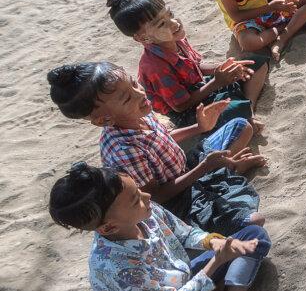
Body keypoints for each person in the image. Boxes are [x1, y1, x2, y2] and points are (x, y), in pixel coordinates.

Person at [50, 163, 272, 291]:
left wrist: (212, 243)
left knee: (254, 235)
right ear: (109, 227)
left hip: (187, 277)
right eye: (136, 200)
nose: (147, 197)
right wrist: (216, 263)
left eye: (139, 190)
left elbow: (185, 233)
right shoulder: (114, 267)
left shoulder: (147, 211)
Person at [48, 63, 265, 236]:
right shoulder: (123, 149)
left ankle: (225, 169)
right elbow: (157, 196)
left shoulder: (140, 113)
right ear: (104, 119)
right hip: (177, 199)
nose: (140, 93)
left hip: (186, 167)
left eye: (134, 84)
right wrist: (204, 168)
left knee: (241, 126)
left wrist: (199, 128)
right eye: (127, 98)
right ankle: (227, 170)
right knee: (252, 223)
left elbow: (164, 138)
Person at [106, 0, 269, 133]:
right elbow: (180, 106)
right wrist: (217, 82)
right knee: (229, 108)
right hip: (187, 110)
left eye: (170, 14)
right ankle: (244, 110)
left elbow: (196, 66)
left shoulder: (176, 39)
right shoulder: (154, 66)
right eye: (162, 24)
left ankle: (249, 108)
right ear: (143, 38)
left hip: (201, 87)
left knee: (256, 63)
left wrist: (223, 67)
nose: (174, 23)